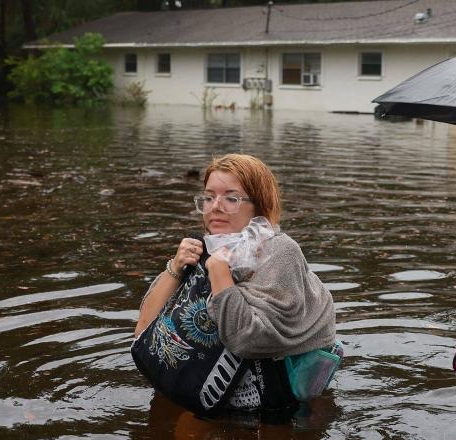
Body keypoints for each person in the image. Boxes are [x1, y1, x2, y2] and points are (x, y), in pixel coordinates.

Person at [134, 153, 336, 413]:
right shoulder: (205, 247)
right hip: (207, 392)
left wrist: (219, 273)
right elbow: (143, 331)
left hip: (273, 408)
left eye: (231, 198)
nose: (215, 207)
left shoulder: (280, 252)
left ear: (258, 206)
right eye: (208, 197)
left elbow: (248, 341)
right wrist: (174, 267)